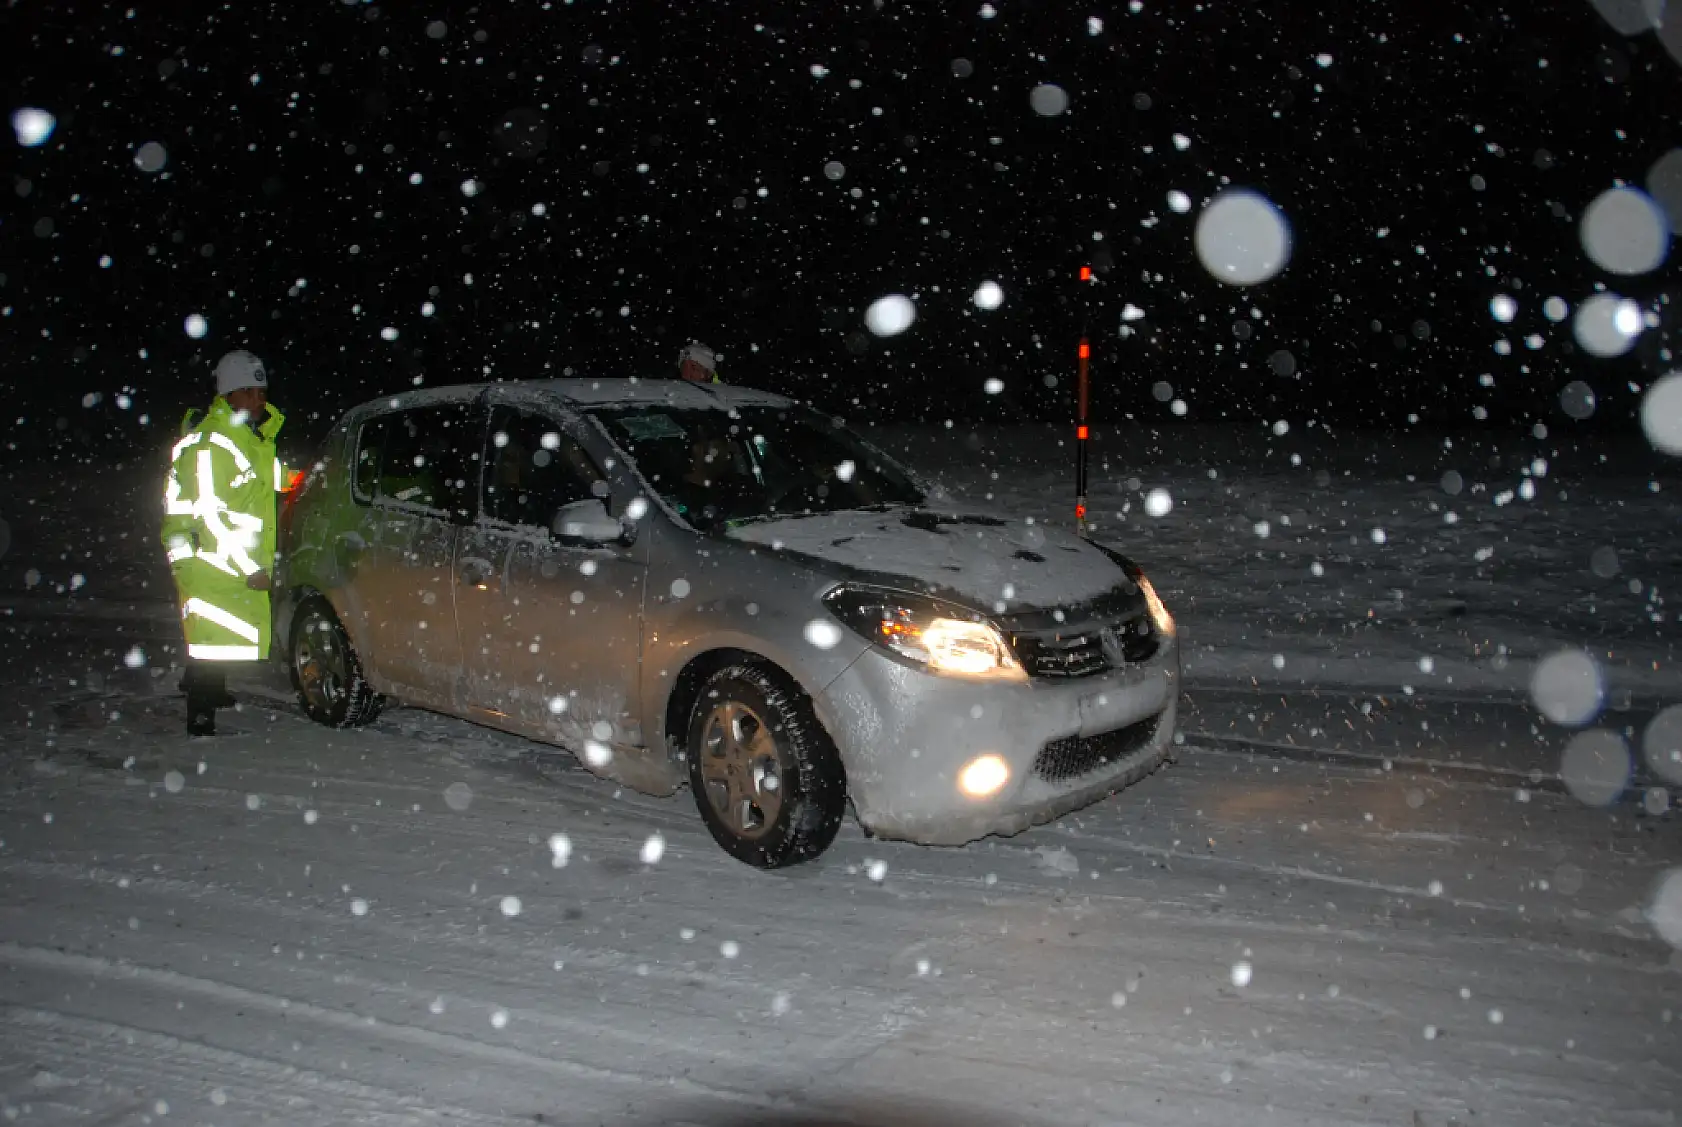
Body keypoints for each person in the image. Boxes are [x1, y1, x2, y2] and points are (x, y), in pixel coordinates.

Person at [160, 349, 294, 735]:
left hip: (221, 555)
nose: (260, 400)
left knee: (216, 633)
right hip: (207, 556)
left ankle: (208, 690)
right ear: (230, 393)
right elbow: (209, 513)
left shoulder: (245, 440)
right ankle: (200, 715)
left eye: (262, 391)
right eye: (251, 391)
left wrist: (309, 480)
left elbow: (272, 477)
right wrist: (249, 567)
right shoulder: (211, 443)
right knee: (209, 639)